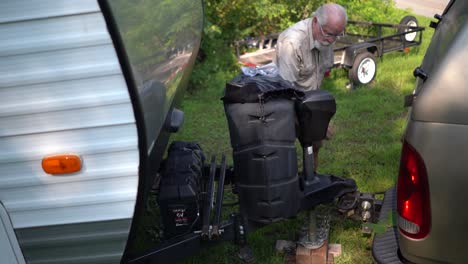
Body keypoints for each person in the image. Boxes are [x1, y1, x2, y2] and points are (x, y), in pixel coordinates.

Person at [274, 3, 347, 171]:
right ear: (315, 21)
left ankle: (310, 180)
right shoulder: (292, 43)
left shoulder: (327, 38)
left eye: (337, 35)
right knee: (284, 150)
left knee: (315, 145)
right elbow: (285, 92)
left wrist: (319, 119)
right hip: (286, 103)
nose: (331, 40)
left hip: (310, 101)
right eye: (329, 34)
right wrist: (308, 119)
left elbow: (320, 76)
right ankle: (287, 188)